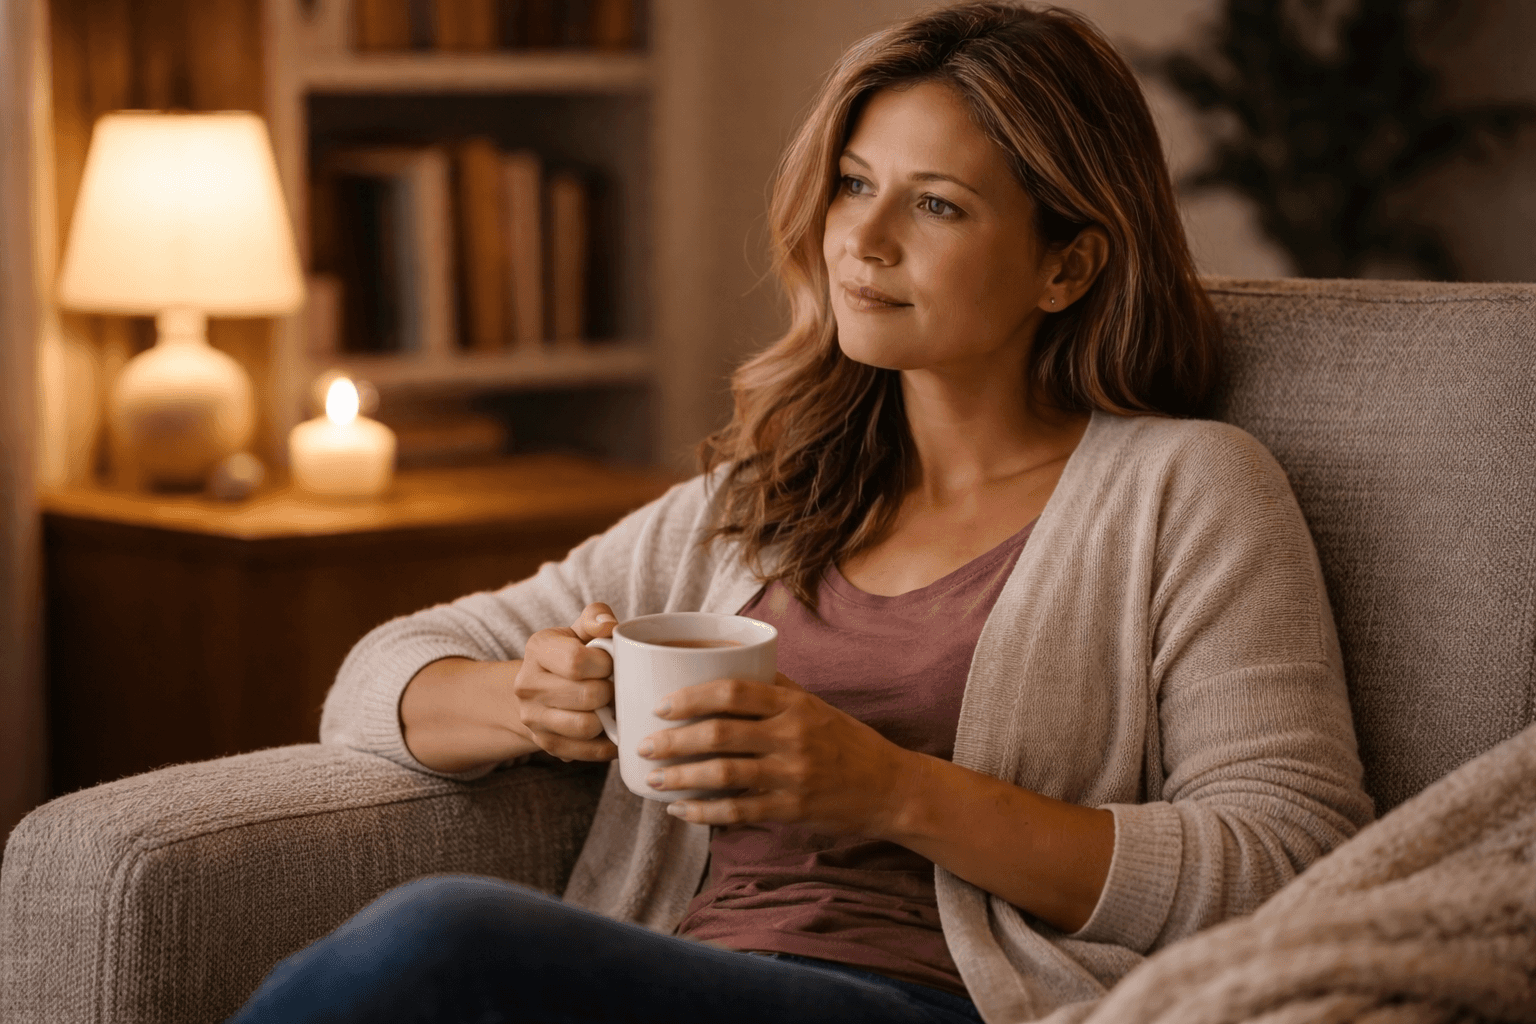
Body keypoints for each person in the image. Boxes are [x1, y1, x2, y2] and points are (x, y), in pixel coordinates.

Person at [229, 3, 1373, 1022]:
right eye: (854, 183)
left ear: (1067, 268)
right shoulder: (764, 503)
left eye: (936, 204)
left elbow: (1289, 857)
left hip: (938, 995)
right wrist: (528, 698)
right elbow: (375, 683)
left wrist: (889, 788)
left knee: (446, 943)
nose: (862, 242)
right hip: (679, 969)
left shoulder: (1187, 491)